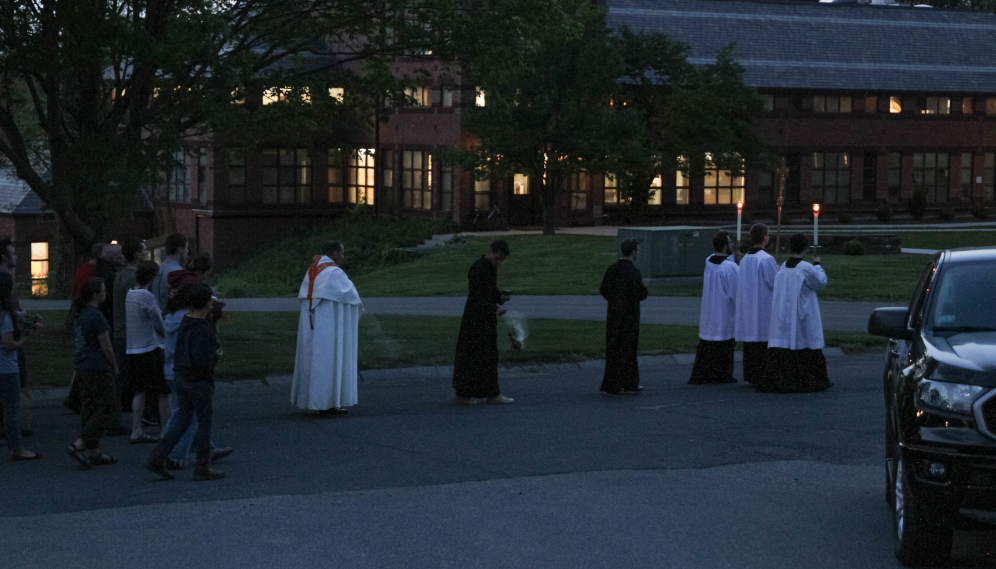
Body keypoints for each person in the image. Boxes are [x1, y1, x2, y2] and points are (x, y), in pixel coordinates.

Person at [145, 284, 226, 481]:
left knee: (182, 419)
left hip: (181, 375)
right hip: (197, 381)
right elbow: (201, 359)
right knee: (204, 421)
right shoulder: (201, 330)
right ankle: (202, 465)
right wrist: (214, 356)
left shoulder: (185, 322)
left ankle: (158, 456)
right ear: (207, 303)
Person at [755, 234, 834, 394]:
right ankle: (809, 377)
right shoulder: (805, 267)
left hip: (785, 310)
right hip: (802, 310)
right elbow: (820, 283)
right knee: (803, 340)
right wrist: (818, 265)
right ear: (805, 247)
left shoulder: (784, 266)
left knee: (787, 341)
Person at [291, 241, 363, 415]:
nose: (343, 258)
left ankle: (314, 399)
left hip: (313, 327)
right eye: (342, 253)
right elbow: (351, 297)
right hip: (330, 327)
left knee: (314, 359)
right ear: (335, 254)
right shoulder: (334, 273)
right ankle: (328, 401)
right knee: (329, 359)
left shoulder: (313, 270)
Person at [65, 277, 119, 468]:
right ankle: (80, 443)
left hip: (83, 365)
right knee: (108, 405)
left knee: (89, 407)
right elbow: (106, 346)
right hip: (97, 366)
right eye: (103, 290)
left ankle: (93, 450)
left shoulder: (81, 315)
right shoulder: (96, 316)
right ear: (96, 294)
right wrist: (114, 366)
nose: (105, 293)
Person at [452, 240, 513, 404]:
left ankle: (492, 393)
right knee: (471, 356)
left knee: (489, 356)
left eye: (501, 260)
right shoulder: (478, 268)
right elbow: (476, 297)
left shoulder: (489, 268)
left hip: (485, 318)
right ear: (491, 251)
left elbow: (490, 290)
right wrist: (494, 308)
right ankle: (463, 394)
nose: (498, 263)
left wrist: (500, 297)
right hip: (474, 319)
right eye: (497, 259)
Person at [126, 260, 170, 443]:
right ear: (151, 277)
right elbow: (159, 325)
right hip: (150, 348)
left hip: (133, 349)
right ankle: (165, 430)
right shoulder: (147, 296)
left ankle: (136, 429)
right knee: (163, 391)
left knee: (140, 391)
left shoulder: (130, 294)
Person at [688, 231, 740, 385]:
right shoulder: (730, 268)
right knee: (724, 340)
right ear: (725, 245)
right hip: (724, 310)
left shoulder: (709, 261)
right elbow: (736, 291)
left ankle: (705, 373)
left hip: (710, 308)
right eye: (729, 243)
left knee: (709, 341)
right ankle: (722, 374)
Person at [599, 238, 649, 396]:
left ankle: (614, 382)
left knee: (614, 348)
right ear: (633, 252)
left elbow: (603, 289)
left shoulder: (612, 269)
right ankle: (629, 381)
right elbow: (640, 293)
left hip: (614, 315)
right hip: (630, 316)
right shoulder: (633, 272)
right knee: (628, 349)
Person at [0, 274, 39, 461]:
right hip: (6, 368)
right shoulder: (5, 315)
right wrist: (24, 338)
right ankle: (17, 448)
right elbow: (7, 345)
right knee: (11, 408)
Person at [734, 224, 778, 385]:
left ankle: (752, 374)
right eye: (768, 234)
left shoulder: (745, 259)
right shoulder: (766, 259)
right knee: (763, 340)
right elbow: (775, 282)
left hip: (749, 305)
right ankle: (764, 374)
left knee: (752, 341)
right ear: (764, 237)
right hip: (763, 306)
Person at [111, 238, 148, 428]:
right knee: (132, 377)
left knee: (123, 376)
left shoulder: (120, 275)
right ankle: (126, 417)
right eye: (144, 250)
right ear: (135, 254)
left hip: (119, 330)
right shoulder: (134, 278)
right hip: (129, 333)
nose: (147, 253)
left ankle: (117, 414)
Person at [0, 237, 34, 440]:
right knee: (13, 385)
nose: (16, 256)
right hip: (9, 337)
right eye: (12, 253)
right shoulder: (4, 278)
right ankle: (11, 432)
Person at [152, 233, 189, 309]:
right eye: (186, 248)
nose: (187, 251)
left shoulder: (159, 268)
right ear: (180, 249)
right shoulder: (178, 273)